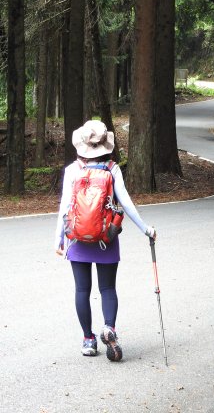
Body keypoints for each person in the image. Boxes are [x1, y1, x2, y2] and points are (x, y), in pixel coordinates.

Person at [54, 119, 155, 361]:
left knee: (82, 289)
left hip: (77, 237)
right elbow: (127, 204)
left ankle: (88, 340)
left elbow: (65, 207)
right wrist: (146, 229)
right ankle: (109, 328)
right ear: (104, 145)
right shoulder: (112, 169)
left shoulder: (72, 171)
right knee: (108, 288)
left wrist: (58, 238)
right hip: (106, 237)